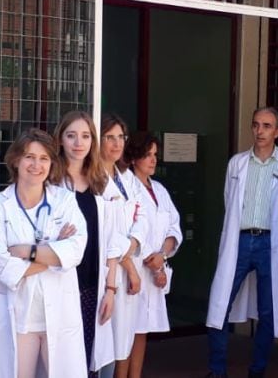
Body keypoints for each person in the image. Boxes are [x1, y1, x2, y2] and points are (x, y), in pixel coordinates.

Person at [0, 128, 88, 378]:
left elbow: (75, 251)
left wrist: (27, 251)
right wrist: (54, 252)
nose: (36, 165)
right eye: (29, 157)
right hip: (18, 316)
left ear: (51, 164)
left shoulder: (64, 201)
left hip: (59, 312)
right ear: (16, 160)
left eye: (44, 158)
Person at [206, 107, 278, 378]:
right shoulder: (237, 163)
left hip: (271, 243)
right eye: (256, 125)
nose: (260, 131)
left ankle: (257, 370)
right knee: (219, 304)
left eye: (267, 126)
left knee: (268, 311)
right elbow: (230, 200)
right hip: (240, 240)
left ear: (277, 132)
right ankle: (217, 371)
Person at [56, 110, 120, 378]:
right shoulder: (51, 181)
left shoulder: (101, 182)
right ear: (60, 140)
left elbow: (114, 240)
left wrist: (111, 289)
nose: (78, 143)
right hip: (61, 283)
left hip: (94, 283)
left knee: (89, 354)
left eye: (85, 136)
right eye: (71, 136)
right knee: (63, 359)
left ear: (93, 141)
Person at [126, 133, 183, 378]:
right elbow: (132, 231)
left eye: (155, 155)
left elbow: (174, 228)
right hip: (133, 268)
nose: (153, 160)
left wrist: (162, 256)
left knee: (142, 330)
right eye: (147, 155)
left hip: (156, 266)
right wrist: (155, 263)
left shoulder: (159, 189)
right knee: (126, 331)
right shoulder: (127, 188)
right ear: (133, 157)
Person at [99, 113, 148, 378]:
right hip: (108, 271)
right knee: (104, 343)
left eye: (121, 137)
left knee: (121, 341)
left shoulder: (126, 178)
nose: (117, 143)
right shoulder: (93, 179)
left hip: (126, 262)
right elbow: (105, 232)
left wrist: (133, 242)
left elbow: (142, 218)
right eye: (110, 137)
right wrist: (129, 265)